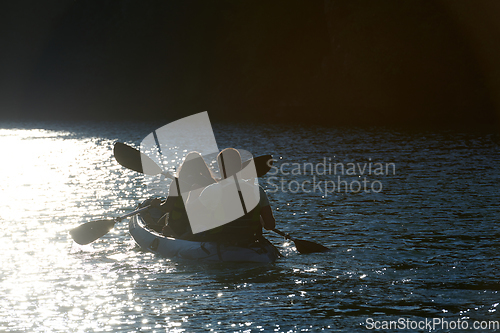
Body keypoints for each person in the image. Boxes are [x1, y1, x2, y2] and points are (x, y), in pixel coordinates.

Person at [189, 148, 276, 244]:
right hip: (250, 240)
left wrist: (192, 194)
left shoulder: (213, 190)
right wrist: (259, 220)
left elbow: (191, 215)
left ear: (220, 168)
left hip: (221, 241)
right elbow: (270, 225)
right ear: (240, 166)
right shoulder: (258, 190)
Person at [149, 151, 216, 238]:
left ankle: (170, 232)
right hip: (203, 224)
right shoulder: (210, 182)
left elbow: (167, 207)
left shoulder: (177, 183)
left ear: (185, 166)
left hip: (180, 226)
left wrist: (156, 204)